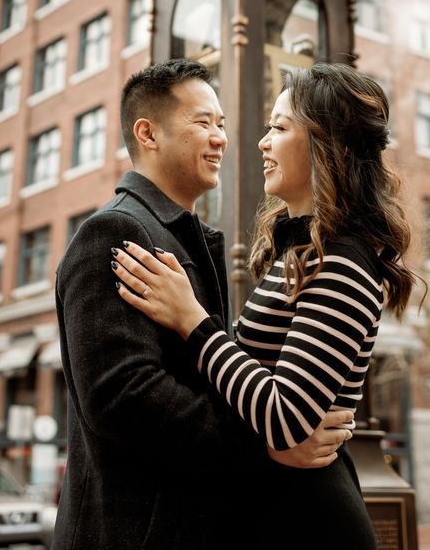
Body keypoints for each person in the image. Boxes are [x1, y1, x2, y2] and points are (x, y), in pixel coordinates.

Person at [113, 62, 420, 546]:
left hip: (310, 520)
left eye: (278, 127)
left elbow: (284, 416)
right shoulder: (302, 254)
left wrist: (193, 320)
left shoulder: (343, 259)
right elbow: (263, 403)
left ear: (324, 144)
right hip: (277, 509)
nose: (260, 142)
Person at [53, 58, 353, 550]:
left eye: (222, 124)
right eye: (202, 123)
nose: (221, 138)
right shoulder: (115, 231)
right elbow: (123, 396)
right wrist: (267, 444)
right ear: (147, 134)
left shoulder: (197, 243)